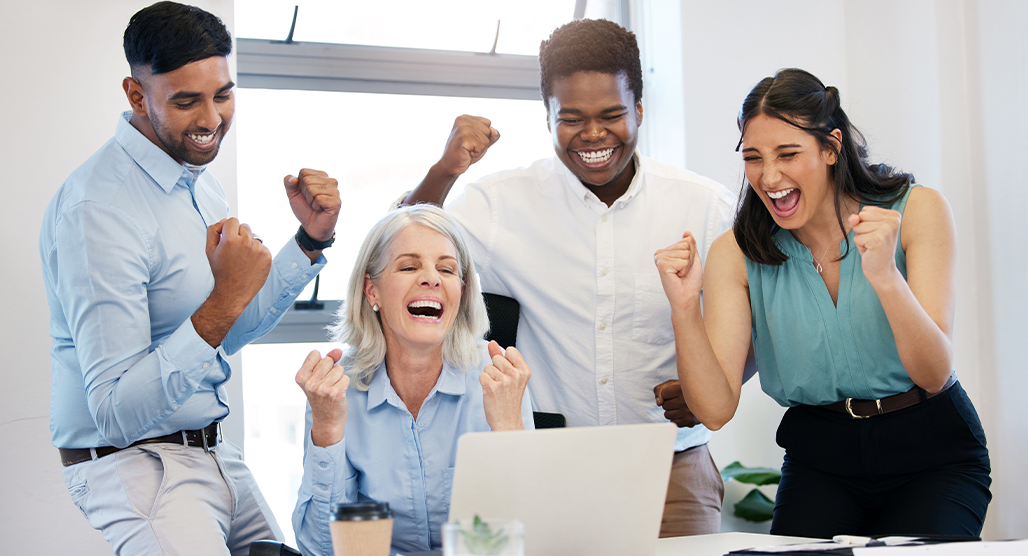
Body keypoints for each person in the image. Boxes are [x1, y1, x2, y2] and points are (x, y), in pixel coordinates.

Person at [401, 18, 735, 536]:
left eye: (613, 115)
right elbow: (399, 248)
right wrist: (445, 170)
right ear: (548, 116)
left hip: (672, 472)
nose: (594, 134)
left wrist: (713, 386)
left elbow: (749, 325)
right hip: (548, 467)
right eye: (572, 118)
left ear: (640, 110)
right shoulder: (498, 205)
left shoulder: (705, 206)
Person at [39, 2, 341, 554]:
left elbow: (224, 332)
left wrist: (309, 240)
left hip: (212, 454)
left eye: (222, 95)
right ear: (136, 95)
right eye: (186, 101)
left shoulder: (197, 183)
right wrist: (224, 297)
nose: (210, 120)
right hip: (137, 466)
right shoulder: (96, 211)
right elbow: (114, 413)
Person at [655, 68, 992, 538]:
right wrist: (685, 308)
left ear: (831, 147)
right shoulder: (737, 252)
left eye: (788, 154)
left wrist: (885, 279)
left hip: (932, 452)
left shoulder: (917, 210)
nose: (769, 176)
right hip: (821, 458)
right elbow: (714, 409)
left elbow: (933, 373)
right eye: (753, 158)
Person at [292, 205, 533, 555]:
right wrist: (327, 428)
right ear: (371, 291)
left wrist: (509, 428)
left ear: (462, 292)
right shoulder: (335, 389)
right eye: (409, 266)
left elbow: (527, 537)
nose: (432, 278)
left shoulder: (499, 377)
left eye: (447, 269)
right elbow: (320, 548)